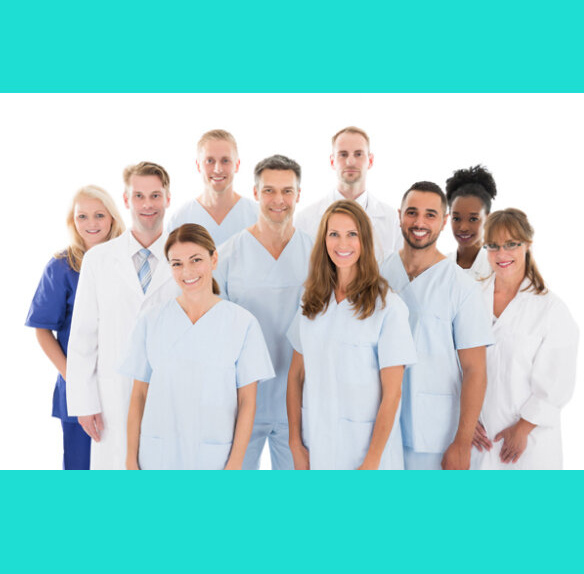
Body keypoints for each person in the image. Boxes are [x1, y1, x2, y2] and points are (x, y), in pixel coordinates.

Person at [121, 224, 275, 470]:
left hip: (215, 456)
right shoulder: (150, 320)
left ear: (214, 259)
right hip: (157, 454)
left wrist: (236, 463)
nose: (187, 271)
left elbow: (247, 402)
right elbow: (138, 395)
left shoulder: (242, 323)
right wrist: (130, 459)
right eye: (177, 263)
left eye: (196, 260)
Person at [286, 200, 416, 470]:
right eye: (334, 234)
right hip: (317, 445)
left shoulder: (387, 306)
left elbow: (393, 394)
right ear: (324, 240)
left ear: (364, 241)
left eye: (352, 234)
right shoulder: (311, 299)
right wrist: (295, 443)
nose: (342, 243)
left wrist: (372, 462)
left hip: (367, 454)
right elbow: (296, 375)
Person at [66, 162, 179, 470]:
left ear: (168, 198)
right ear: (126, 200)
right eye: (139, 196)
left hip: (169, 393)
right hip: (111, 398)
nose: (147, 205)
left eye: (155, 195)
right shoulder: (98, 259)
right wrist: (84, 402)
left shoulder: (185, 257)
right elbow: (83, 337)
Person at [380, 181, 493, 470]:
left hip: (434, 432)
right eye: (412, 213)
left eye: (430, 215)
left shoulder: (461, 286)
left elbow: (475, 370)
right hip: (379, 426)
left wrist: (462, 442)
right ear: (399, 216)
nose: (419, 223)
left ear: (443, 221)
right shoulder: (379, 274)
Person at [215, 155, 313, 470]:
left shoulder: (317, 254)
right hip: (242, 400)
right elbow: (214, 332)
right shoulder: (227, 255)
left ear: (298, 195)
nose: (278, 200)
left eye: (287, 191)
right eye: (269, 190)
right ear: (256, 193)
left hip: (299, 401)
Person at [26, 186, 125, 469]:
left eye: (99, 215)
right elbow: (42, 330)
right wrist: (77, 381)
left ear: (112, 218)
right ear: (73, 221)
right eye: (82, 216)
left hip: (122, 384)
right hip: (78, 386)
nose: (91, 223)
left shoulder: (128, 261)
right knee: (81, 470)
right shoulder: (61, 267)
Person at [471, 209, 578, 469]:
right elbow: (455, 367)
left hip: (529, 446)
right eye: (493, 245)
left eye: (511, 244)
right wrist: (464, 421)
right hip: (478, 443)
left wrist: (523, 428)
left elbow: (557, 383)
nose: (501, 254)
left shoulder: (551, 310)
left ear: (527, 245)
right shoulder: (471, 298)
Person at [295, 126, 401, 261]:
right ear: (332, 161)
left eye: (358, 154)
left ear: (370, 161)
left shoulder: (393, 220)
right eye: (343, 154)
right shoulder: (304, 220)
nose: (350, 162)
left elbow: (401, 271)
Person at [167, 129, 257, 245]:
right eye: (210, 161)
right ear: (198, 165)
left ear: (237, 165)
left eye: (225, 160)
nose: (218, 169)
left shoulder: (257, 216)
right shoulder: (180, 219)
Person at [445, 165, 497, 279]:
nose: (463, 227)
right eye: (456, 218)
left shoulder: (497, 267)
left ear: (488, 218)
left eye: (473, 219)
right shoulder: (439, 267)